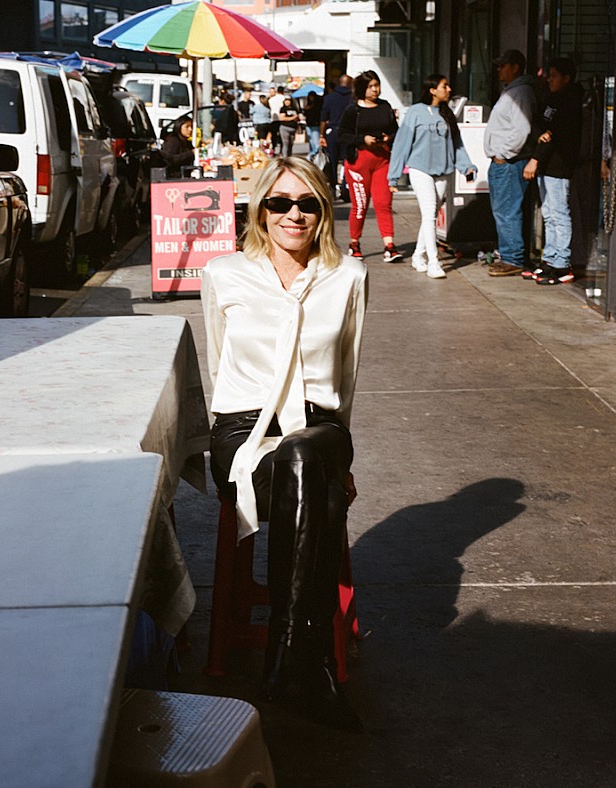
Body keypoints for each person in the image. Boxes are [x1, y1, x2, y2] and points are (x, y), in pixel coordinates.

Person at [201, 156, 367, 732]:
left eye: (307, 204)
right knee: (310, 481)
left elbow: (347, 376)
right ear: (260, 210)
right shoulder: (224, 273)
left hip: (320, 428)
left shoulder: (349, 276)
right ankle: (305, 665)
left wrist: (339, 456)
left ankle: (283, 653)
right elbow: (217, 363)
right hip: (243, 430)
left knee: (302, 453)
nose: (293, 215)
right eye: (279, 203)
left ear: (323, 212)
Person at [388, 74, 477, 279]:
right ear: (432, 90)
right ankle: (433, 262)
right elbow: (402, 144)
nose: (449, 89)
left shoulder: (447, 114)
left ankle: (418, 255)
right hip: (420, 170)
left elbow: (457, 144)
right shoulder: (415, 112)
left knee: (431, 216)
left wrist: (466, 167)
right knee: (429, 214)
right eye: (444, 86)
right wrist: (394, 176)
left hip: (443, 171)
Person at [522, 57, 583, 286]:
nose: (550, 79)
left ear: (566, 78)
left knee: (559, 214)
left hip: (558, 165)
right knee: (548, 214)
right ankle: (549, 259)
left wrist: (535, 158)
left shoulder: (570, 102)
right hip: (546, 165)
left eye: (555, 76)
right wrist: (540, 134)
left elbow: (555, 135)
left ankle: (562, 264)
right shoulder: (551, 99)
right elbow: (538, 124)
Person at [483, 49, 538, 276]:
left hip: (509, 161)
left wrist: (503, 154)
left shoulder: (520, 93)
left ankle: (512, 258)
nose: (499, 70)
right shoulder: (513, 91)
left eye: (503, 65)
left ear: (515, 67)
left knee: (507, 210)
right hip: (504, 161)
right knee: (503, 210)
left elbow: (521, 128)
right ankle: (509, 255)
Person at [337, 70, 401, 263]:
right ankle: (354, 243)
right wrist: (362, 139)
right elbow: (342, 135)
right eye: (371, 86)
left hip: (383, 160)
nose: (375, 90)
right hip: (358, 163)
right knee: (360, 205)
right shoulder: (353, 110)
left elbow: (396, 132)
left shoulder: (385, 106)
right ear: (362, 89)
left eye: (377, 85)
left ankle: (389, 245)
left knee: (383, 204)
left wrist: (387, 138)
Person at [319, 74, 353, 200]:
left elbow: (324, 117)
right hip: (348, 132)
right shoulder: (354, 98)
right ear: (350, 84)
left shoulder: (329, 98)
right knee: (347, 161)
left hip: (332, 132)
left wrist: (322, 135)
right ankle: (345, 187)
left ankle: (333, 187)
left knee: (332, 161)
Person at [303, 91, 322, 160]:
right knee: (311, 141)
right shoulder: (308, 104)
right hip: (309, 124)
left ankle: (314, 154)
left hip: (315, 124)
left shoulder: (318, 105)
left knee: (315, 142)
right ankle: (312, 154)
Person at [268, 86, 286, 154]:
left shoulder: (271, 99)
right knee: (281, 136)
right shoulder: (284, 98)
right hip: (282, 119)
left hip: (273, 119)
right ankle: (281, 150)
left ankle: (273, 149)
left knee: (274, 135)